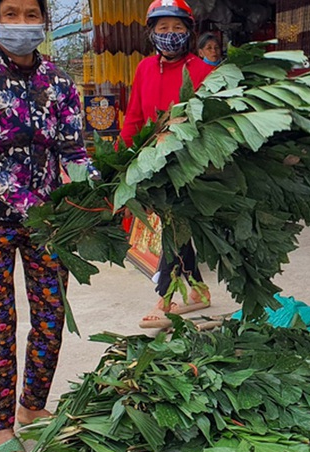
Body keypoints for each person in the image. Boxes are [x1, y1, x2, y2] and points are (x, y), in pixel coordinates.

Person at [0, 0, 94, 452]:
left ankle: (32, 407)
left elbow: (74, 148)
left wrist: (99, 190)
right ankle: (1, 425)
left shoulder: (61, 82)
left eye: (33, 14)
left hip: (48, 223)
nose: (24, 23)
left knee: (51, 316)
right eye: (13, 12)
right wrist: (35, 206)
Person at [119, 0, 215, 328]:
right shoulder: (145, 68)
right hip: (153, 163)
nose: (170, 34)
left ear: (189, 32)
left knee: (175, 225)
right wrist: (120, 161)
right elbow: (133, 117)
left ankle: (166, 296)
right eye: (163, 28)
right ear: (152, 33)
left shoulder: (204, 72)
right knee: (174, 226)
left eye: (177, 28)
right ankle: (199, 291)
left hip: (190, 165)